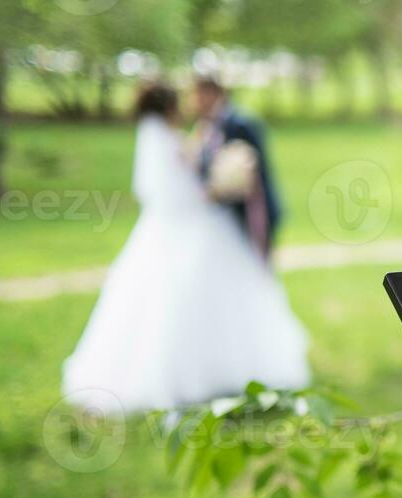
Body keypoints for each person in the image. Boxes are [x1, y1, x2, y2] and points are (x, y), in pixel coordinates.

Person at [62, 82, 310, 413]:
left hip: (171, 227)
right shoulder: (167, 139)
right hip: (188, 226)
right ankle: (206, 375)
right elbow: (177, 193)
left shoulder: (160, 136)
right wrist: (216, 191)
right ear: (168, 108)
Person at [192, 74, 282, 259]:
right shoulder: (208, 126)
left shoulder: (241, 123)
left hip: (251, 211)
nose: (196, 102)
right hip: (223, 214)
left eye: (199, 95)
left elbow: (255, 168)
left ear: (213, 93)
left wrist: (224, 185)